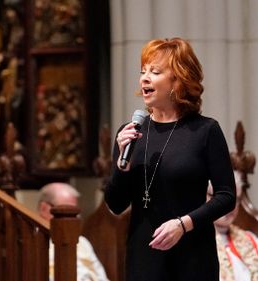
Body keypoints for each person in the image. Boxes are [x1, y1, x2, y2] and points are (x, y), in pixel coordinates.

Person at [105, 37, 236, 281]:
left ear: (178, 80)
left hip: (193, 256)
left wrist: (183, 224)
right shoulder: (131, 132)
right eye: (143, 71)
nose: (144, 78)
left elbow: (226, 196)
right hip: (144, 257)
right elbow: (115, 204)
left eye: (155, 72)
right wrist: (122, 167)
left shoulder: (205, 131)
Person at [38, 182, 109, 281]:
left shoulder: (82, 242)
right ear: (44, 208)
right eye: (65, 212)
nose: (74, 219)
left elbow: (102, 278)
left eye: (75, 213)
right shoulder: (33, 242)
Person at [208, 171, 258, 281]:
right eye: (222, 198)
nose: (230, 206)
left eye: (236, 199)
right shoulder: (193, 242)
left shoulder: (251, 239)